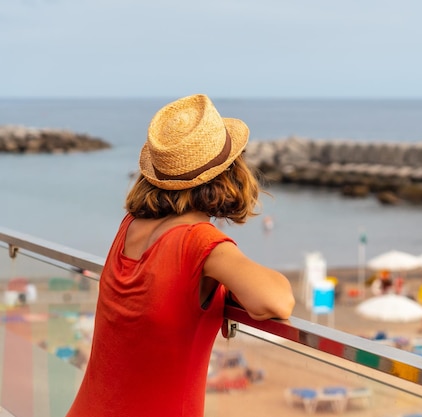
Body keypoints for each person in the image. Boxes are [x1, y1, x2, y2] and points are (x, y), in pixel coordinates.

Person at [66, 94, 295, 417]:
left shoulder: (130, 226)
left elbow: (161, 292)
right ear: (229, 174)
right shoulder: (200, 242)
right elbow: (276, 301)